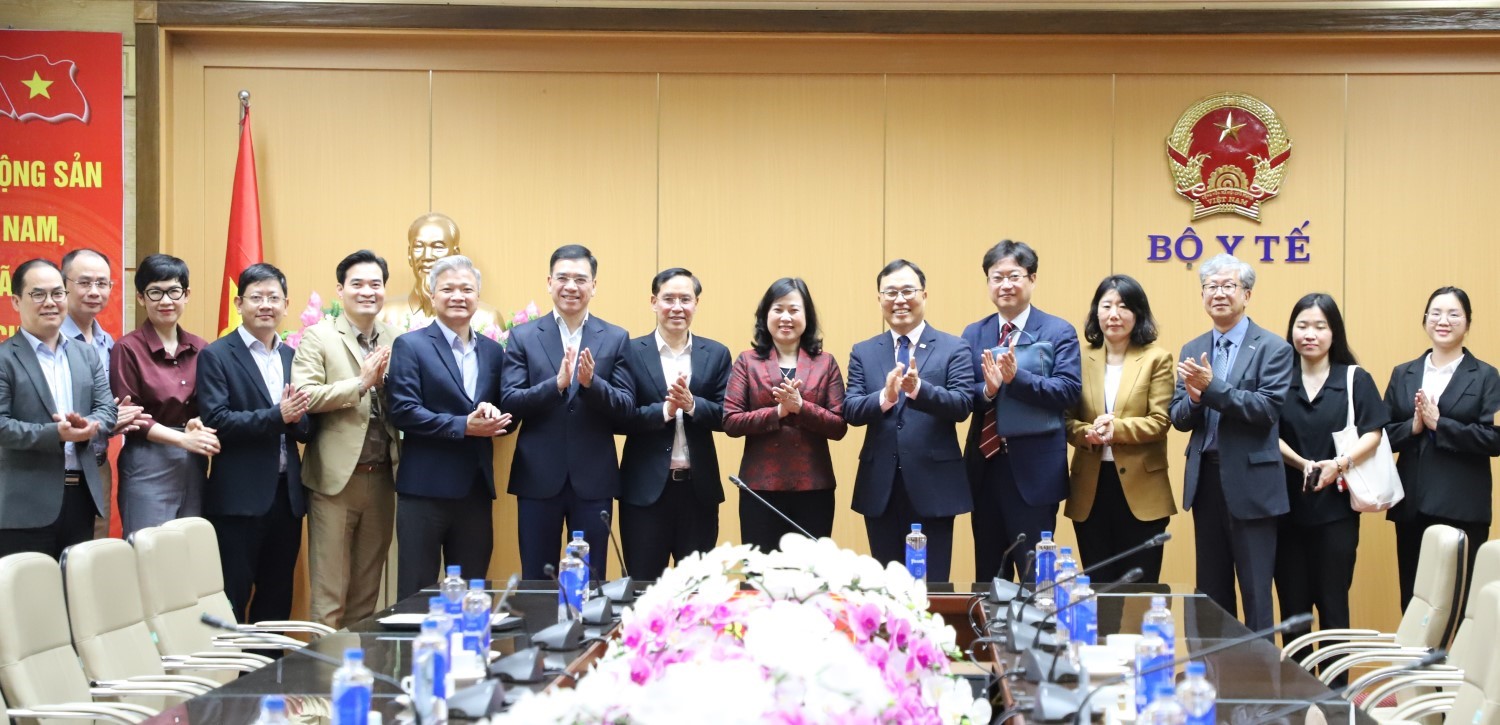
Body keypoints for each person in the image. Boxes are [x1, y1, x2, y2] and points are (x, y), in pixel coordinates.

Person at [1169, 253, 1294, 630]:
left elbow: (1265, 409)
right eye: (1211, 287)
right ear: (1202, 295)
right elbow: (1178, 418)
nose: (1218, 293)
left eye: (1228, 286)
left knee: (1256, 593)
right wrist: (1194, 399)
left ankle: (1258, 668)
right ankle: (1212, 666)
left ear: (1247, 294)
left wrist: (1211, 388)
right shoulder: (1192, 348)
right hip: (1206, 481)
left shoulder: (1273, 348)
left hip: (1253, 484)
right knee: (1211, 592)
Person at [502, 244, 632, 582]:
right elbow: (510, 401)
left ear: (594, 286)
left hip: (594, 480)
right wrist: (556, 385)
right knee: (537, 579)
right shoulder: (523, 336)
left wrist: (592, 384)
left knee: (589, 579)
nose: (571, 286)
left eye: (580, 279)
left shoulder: (615, 337)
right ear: (549, 283)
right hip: (537, 477)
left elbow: (626, 408)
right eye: (562, 278)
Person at [196, 263, 314, 623]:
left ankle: (269, 662)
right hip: (239, 499)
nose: (266, 305)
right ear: (239, 303)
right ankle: (232, 662)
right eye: (257, 297)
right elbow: (217, 421)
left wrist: (298, 418)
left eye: (274, 298)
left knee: (277, 597)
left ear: (286, 304)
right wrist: (279, 416)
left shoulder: (292, 356)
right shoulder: (216, 355)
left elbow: (305, 426)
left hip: (286, 497)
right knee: (232, 596)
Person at [387, 255, 510, 598]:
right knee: (416, 593)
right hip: (424, 491)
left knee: (472, 593)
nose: (458, 296)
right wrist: (463, 426)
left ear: (478, 296)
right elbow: (403, 411)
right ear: (432, 294)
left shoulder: (493, 351)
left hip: (474, 490)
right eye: (448, 289)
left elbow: (506, 411)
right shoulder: (410, 345)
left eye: (466, 289)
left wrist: (494, 417)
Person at [1274, 293, 1386, 667]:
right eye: (1302, 325)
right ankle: (1298, 690)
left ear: (1334, 332)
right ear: (1291, 331)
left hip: (1336, 513)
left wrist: (1339, 464)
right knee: (1293, 610)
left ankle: (1336, 692)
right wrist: (1302, 463)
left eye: (1320, 326)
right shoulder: (1277, 378)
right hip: (1285, 511)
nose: (1310, 334)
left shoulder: (1354, 378)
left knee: (1334, 605)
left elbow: (1374, 433)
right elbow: (1265, 433)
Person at [844, 260, 974, 582]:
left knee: (932, 586)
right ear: (879, 299)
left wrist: (918, 390)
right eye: (890, 292)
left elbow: (962, 404)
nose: (899, 300)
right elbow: (851, 409)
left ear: (924, 295)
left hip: (935, 485)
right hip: (880, 486)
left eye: (907, 291)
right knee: (886, 586)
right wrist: (885, 397)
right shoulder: (863, 351)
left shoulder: (954, 347)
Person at [291, 250, 401, 627]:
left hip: (383, 477)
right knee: (329, 598)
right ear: (340, 290)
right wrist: (361, 383)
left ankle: (358, 666)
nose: (367, 291)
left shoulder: (396, 339)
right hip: (335, 482)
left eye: (375, 284)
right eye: (358, 284)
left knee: (366, 597)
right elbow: (304, 395)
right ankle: (323, 669)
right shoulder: (319, 337)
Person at [963, 240, 1082, 583]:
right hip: (985, 468)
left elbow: (1068, 390)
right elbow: (961, 396)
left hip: (1035, 473)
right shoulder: (974, 333)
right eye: (997, 277)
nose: (1005, 285)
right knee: (989, 578)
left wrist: (1017, 378)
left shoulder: (1058, 331)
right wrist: (987, 390)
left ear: (1032, 279)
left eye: (1014, 276)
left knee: (1035, 581)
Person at [1384, 286, 1500, 610]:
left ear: (1468, 322)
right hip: (1412, 506)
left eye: (1453, 314)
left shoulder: (1487, 376)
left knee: (1459, 605)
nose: (1443, 320)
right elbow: (1381, 435)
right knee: (1413, 601)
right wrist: (1413, 427)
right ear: (1425, 320)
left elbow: (1494, 438)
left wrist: (1440, 424)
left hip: (1463, 507)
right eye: (1435, 313)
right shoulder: (1404, 373)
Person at [617, 268, 732, 580]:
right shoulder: (630, 351)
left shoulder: (716, 353)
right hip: (644, 492)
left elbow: (728, 416)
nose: (677, 307)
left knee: (696, 589)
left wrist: (692, 405)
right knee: (643, 587)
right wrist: (665, 410)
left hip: (698, 491)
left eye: (685, 299)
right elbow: (621, 416)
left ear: (696, 303)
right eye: (669, 299)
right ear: (654, 302)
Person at [0, 259, 116, 559]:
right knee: (31, 587)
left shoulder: (86, 354)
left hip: (81, 499)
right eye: (38, 294)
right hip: (24, 505)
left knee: (78, 585)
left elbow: (107, 409)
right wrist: (57, 434)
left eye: (57, 293)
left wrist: (89, 425)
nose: (50, 302)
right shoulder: (4, 358)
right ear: (16, 301)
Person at [1064, 275, 1175, 585]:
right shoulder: (1079, 359)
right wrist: (1087, 433)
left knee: (1140, 588)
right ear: (1096, 312)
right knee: (1097, 586)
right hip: (1091, 488)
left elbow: (1160, 421)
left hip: (1143, 490)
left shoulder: (1157, 359)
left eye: (1124, 306)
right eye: (1107, 306)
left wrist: (1116, 429)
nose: (1114, 314)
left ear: (1138, 313)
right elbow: (1066, 420)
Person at [723, 278, 848, 551]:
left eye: (794, 310)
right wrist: (778, 412)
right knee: (761, 572)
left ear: (807, 316)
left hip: (814, 488)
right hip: (760, 487)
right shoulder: (747, 361)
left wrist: (802, 408)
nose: (786, 317)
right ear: (765, 315)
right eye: (778, 309)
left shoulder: (825, 362)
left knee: (811, 572)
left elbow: (839, 425)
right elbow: (731, 421)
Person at [109, 254, 217, 535]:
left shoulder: (202, 348)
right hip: (147, 462)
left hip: (193, 461)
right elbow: (132, 416)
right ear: (141, 298)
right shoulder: (127, 348)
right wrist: (182, 439)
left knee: (190, 547)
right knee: (149, 548)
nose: (166, 301)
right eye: (155, 292)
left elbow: (210, 404)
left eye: (174, 291)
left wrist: (197, 423)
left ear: (186, 295)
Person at [61, 248, 144, 537]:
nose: (94, 291)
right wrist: (105, 420)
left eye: (102, 283)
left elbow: (107, 406)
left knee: (92, 553)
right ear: (63, 285)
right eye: (84, 282)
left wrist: (116, 420)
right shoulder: (49, 339)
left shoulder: (107, 342)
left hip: (97, 467)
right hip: (53, 470)